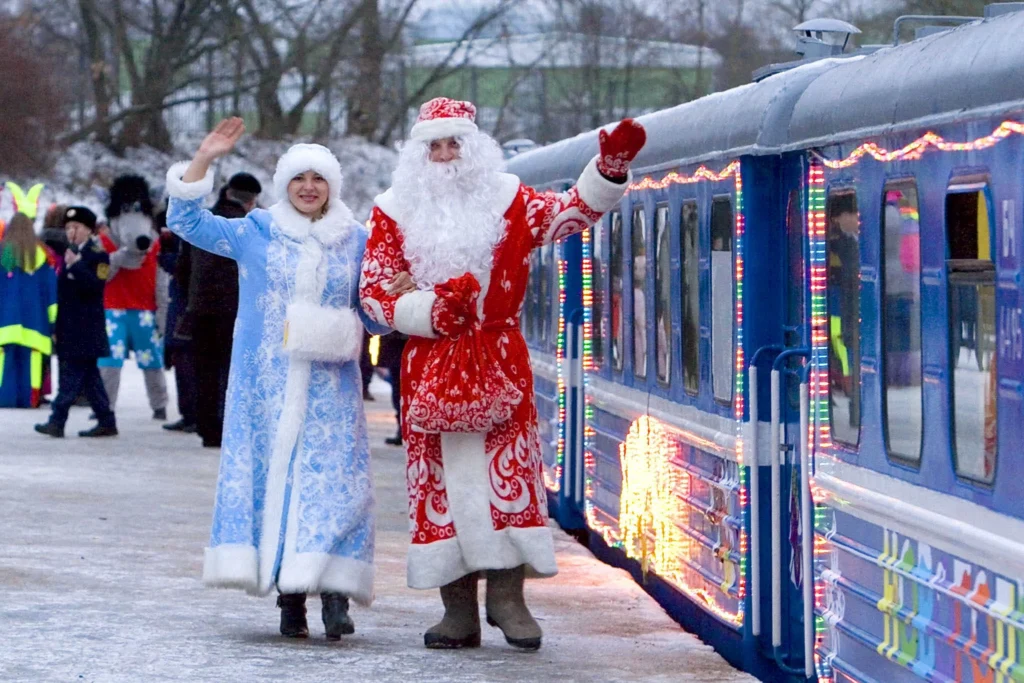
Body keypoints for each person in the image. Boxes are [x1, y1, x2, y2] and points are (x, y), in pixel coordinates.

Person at [359, 97, 645, 650]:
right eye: (434, 146)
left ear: (473, 148)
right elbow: (373, 294)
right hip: (430, 359)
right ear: (418, 155)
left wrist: (607, 171)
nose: (444, 156)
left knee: (506, 477)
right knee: (438, 485)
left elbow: (567, 215)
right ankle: (457, 610)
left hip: (497, 359)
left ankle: (510, 600)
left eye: (454, 144)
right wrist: (423, 311)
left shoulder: (509, 199)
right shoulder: (393, 210)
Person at [165, 118, 394, 640]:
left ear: (332, 186)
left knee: (338, 490)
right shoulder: (255, 232)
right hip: (264, 388)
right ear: (284, 185)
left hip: (332, 389)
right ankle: (290, 601)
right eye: (298, 179)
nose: (308, 187)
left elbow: (376, 318)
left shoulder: (357, 241)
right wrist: (204, 157)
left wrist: (392, 293)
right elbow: (186, 221)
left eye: (318, 178)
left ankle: (335, 592)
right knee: (278, 486)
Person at [186, 174, 261, 447]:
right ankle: (229, 426)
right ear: (251, 200)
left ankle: (206, 426)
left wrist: (189, 302)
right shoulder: (249, 229)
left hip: (200, 308)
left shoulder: (205, 223)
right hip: (235, 310)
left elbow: (182, 267)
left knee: (204, 370)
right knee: (233, 371)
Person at [34, 207, 118, 438]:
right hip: (69, 326)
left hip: (86, 328)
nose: (71, 232)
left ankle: (57, 420)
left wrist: (76, 265)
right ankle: (106, 420)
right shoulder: (69, 252)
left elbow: (96, 286)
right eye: (69, 227)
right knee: (90, 379)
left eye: (76, 228)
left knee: (70, 377)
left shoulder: (97, 253)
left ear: (89, 230)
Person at [97, 175, 170, 421]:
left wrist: (162, 312)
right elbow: (101, 276)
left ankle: (159, 404)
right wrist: (117, 258)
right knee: (110, 361)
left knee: (152, 361)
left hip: (144, 311)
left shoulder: (155, 245)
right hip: (112, 309)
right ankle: (105, 406)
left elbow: (161, 282)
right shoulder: (104, 244)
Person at [0, 213, 57, 408]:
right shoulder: (43, 257)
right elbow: (51, 295)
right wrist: (53, 322)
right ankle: (29, 399)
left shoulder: (2, 255)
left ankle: (5, 398)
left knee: (4, 363)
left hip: (5, 323)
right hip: (36, 324)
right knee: (31, 362)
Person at [159, 211, 198, 434]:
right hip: (182, 304)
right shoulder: (182, 233)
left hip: (187, 306)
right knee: (181, 362)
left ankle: (193, 414)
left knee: (187, 363)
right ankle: (187, 413)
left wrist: (165, 254)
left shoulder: (191, 233)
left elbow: (182, 267)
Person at [377, 331, 408, 446]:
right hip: (396, 344)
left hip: (414, 342)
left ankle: (405, 430)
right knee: (398, 392)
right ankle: (402, 430)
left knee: (402, 391)